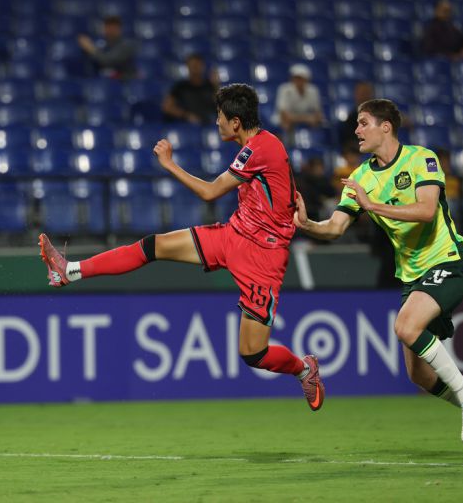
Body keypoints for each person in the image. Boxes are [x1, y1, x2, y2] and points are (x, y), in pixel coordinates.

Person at [38, 83, 325, 411]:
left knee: (253, 354)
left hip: (263, 257)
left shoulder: (261, 147)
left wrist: (169, 163)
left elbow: (210, 192)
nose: (215, 122)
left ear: (235, 123)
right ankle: (69, 271)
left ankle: (305, 369)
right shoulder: (258, 147)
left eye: (219, 117)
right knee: (153, 246)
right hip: (234, 235)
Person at [293, 99, 463, 461]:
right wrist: (308, 225)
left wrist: (373, 206)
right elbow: (335, 227)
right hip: (412, 276)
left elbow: (426, 211)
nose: (356, 130)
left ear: (386, 127)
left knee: (405, 326)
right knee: (419, 374)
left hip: (448, 261)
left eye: (363, 123)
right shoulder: (361, 177)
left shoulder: (422, 159)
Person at [273, 63, 324, 146]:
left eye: (300, 78)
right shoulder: (284, 89)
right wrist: (307, 119)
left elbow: (318, 114)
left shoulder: (313, 90)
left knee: (318, 125)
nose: (298, 81)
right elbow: (284, 115)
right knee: (285, 124)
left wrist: (310, 119)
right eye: (295, 78)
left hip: (302, 121)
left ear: (306, 79)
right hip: (284, 122)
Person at [161, 53, 219, 125]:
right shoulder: (181, 86)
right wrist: (186, 115)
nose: (195, 68)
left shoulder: (210, 85)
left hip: (209, 125)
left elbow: (221, 106)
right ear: (187, 67)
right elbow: (167, 107)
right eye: (192, 65)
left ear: (203, 66)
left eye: (197, 65)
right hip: (187, 127)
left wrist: (216, 86)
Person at [337, 81, 374, 154]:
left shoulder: (380, 115)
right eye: (361, 93)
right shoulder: (351, 119)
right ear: (356, 95)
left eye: (366, 93)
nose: (364, 96)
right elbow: (350, 143)